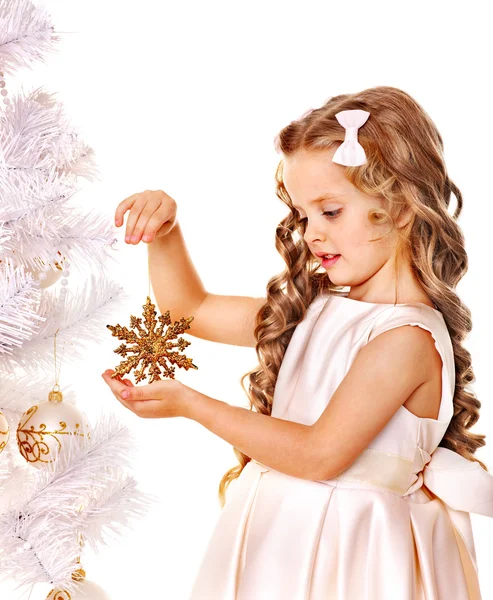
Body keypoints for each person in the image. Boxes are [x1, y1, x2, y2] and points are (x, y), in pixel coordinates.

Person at [102, 85, 493, 599]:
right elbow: (189, 312)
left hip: (353, 550)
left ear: (400, 205)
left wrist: (192, 405)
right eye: (304, 215)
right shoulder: (314, 312)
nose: (310, 234)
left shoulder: (407, 339)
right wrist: (167, 231)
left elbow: (318, 455)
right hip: (278, 536)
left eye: (330, 211)